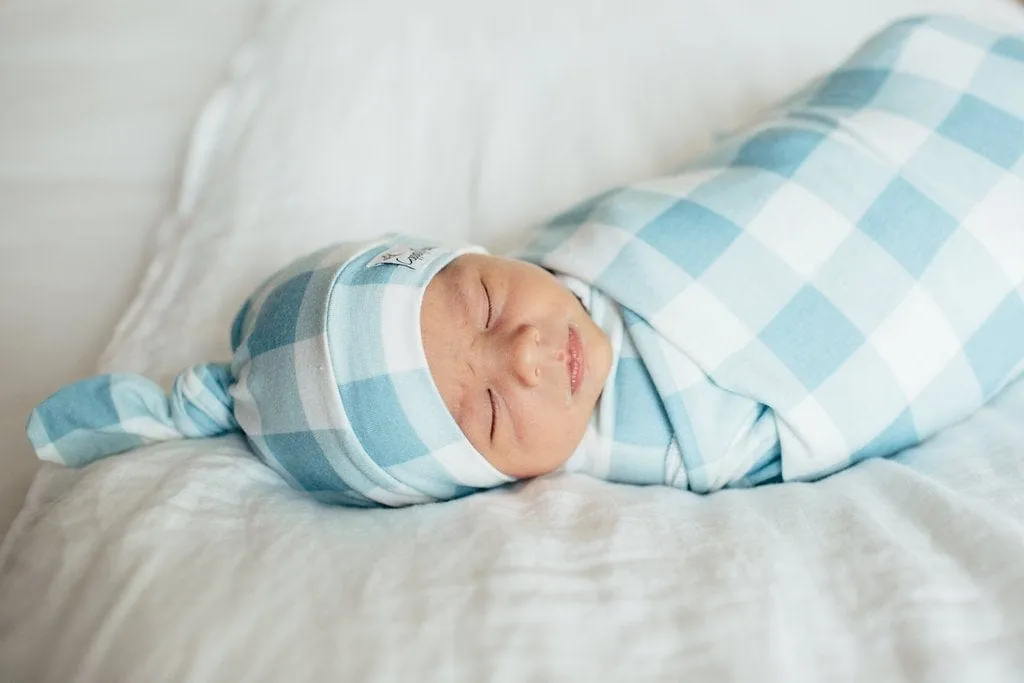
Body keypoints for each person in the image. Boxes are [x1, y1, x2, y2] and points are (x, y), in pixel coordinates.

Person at [26, 15, 1024, 507]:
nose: (533, 356)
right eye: (494, 414)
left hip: (896, 129)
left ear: (471, 256)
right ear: (478, 479)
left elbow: (721, 198)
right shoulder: (656, 447)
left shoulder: (573, 257)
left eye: (490, 300)